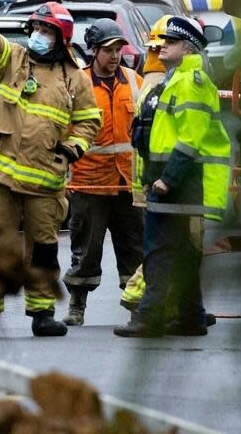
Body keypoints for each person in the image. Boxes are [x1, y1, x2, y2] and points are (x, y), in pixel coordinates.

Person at [0, 0, 101, 337]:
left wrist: (72, 149)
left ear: (61, 38)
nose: (38, 35)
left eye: (46, 30)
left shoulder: (75, 78)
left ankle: (42, 313)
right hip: (0, 172)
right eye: (36, 27)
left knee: (44, 250)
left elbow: (89, 121)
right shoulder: (15, 59)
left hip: (45, 179)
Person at [115, 17, 232, 337]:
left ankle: (150, 318)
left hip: (177, 187)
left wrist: (168, 179)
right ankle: (191, 318)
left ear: (188, 48)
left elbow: (190, 139)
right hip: (172, 186)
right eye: (162, 40)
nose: (162, 45)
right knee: (184, 254)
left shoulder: (191, 82)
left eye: (171, 41)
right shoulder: (173, 80)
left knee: (158, 253)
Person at [62, 19, 144, 326]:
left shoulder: (135, 82)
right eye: (108, 50)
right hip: (89, 182)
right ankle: (77, 305)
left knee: (134, 247)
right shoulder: (77, 84)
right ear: (93, 50)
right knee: (86, 249)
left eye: (118, 49)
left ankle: (138, 304)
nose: (114, 55)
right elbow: (62, 130)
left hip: (127, 183)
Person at [120, 14, 173, 312]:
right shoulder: (161, 85)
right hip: (160, 180)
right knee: (166, 241)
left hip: (146, 179)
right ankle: (138, 292)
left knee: (161, 240)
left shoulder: (149, 81)